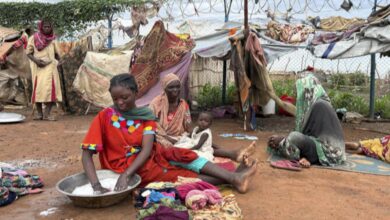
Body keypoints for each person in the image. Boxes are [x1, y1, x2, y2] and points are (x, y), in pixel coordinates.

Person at [81, 73, 258, 195]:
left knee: (182, 154)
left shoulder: (146, 118)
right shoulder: (104, 117)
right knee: (175, 177)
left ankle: (233, 177)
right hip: (128, 167)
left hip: (147, 156)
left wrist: (126, 175)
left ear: (136, 93)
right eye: (115, 99)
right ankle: (233, 178)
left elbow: (147, 148)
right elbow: (87, 154)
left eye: (124, 97)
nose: (119, 103)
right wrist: (97, 185)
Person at [149, 73, 256, 162]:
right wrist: (168, 138)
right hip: (162, 138)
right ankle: (232, 153)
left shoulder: (183, 104)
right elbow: (151, 124)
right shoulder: (156, 104)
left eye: (177, 86)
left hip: (179, 136)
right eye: (171, 87)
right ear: (164, 88)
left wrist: (193, 135)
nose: (175, 90)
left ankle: (233, 153)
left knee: (200, 140)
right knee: (185, 147)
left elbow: (187, 125)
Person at [268, 73, 345, 167]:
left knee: (294, 137)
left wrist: (285, 140)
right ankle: (284, 144)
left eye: (300, 92)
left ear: (308, 90)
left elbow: (321, 142)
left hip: (328, 152)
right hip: (319, 146)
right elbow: (308, 135)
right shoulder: (314, 105)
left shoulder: (320, 105)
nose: (298, 96)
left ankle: (284, 145)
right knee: (291, 138)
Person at [26, 20, 62, 121]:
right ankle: (39, 114)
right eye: (45, 27)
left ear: (51, 28)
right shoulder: (33, 38)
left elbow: (56, 54)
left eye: (49, 27)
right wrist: (37, 61)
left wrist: (60, 60)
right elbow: (28, 53)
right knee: (38, 90)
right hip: (38, 68)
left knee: (51, 91)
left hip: (51, 68)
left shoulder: (53, 39)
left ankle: (46, 114)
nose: (47, 29)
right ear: (41, 27)